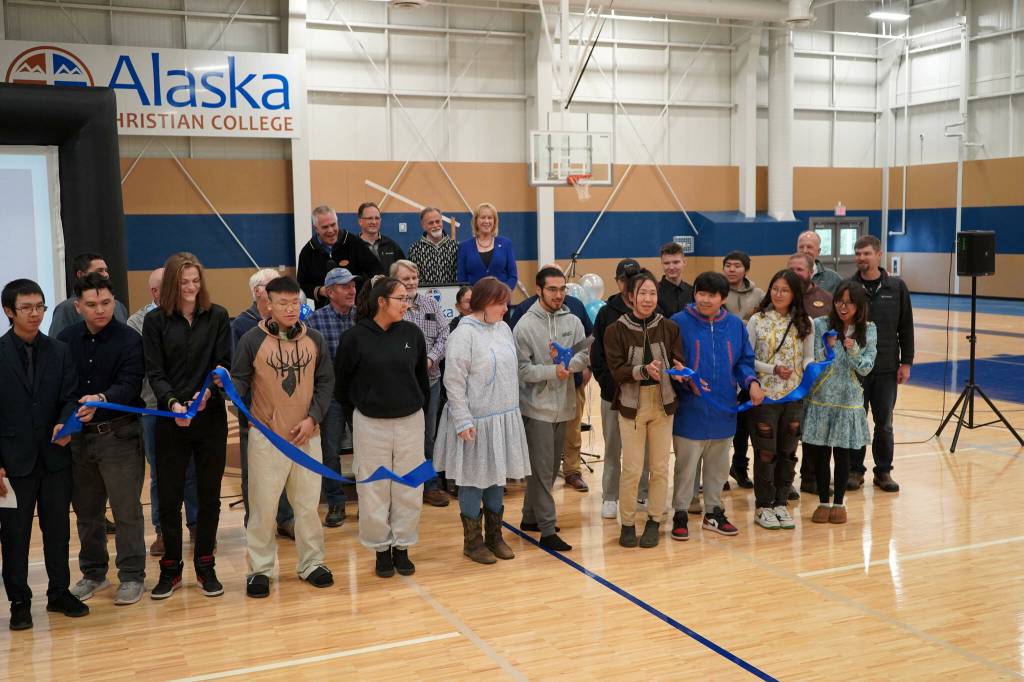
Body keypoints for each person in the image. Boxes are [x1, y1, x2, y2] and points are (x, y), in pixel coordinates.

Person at [231, 276, 335, 597]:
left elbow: (326, 382)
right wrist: (228, 391)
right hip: (267, 438)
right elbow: (240, 382)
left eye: (295, 303)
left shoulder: (315, 338)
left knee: (307, 505)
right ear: (268, 304)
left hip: (307, 435)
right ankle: (260, 569)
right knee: (263, 507)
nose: (290, 309)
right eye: (283, 303)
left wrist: (313, 418)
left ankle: (312, 562)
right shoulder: (251, 340)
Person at [0, 278, 87, 630]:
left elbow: (70, 396)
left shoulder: (59, 350)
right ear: (9, 312)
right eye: (27, 308)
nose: (35, 314)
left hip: (54, 458)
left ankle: (59, 592)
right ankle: (19, 602)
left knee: (58, 529)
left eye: (40, 307)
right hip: (12, 463)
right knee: (15, 536)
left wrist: (65, 422)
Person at [143, 252, 230, 600]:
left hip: (209, 418)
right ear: (171, 286)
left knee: (209, 495)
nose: (191, 287)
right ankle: (171, 569)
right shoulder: (155, 322)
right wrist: (173, 404)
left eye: (195, 281)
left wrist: (206, 394)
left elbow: (222, 364)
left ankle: (206, 565)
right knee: (169, 497)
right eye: (183, 282)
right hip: (170, 420)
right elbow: (155, 372)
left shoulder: (218, 316)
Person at [58, 273, 147, 606]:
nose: (100, 310)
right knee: (87, 512)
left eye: (106, 303)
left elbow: (130, 384)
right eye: (92, 304)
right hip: (79, 439)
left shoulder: (130, 339)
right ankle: (94, 573)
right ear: (78, 306)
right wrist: (68, 414)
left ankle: (132, 575)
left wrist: (102, 399)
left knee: (126, 511)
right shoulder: (66, 339)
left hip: (119, 435)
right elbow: (62, 386)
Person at [336, 276, 429, 578]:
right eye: (401, 298)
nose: (406, 304)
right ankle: (380, 549)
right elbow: (342, 386)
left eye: (408, 298)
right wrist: (358, 417)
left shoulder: (413, 334)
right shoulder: (354, 338)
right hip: (370, 424)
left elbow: (422, 380)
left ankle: (403, 546)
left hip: (410, 421)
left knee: (410, 487)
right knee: (373, 489)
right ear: (381, 301)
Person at [434, 277, 528, 564]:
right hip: (475, 420)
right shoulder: (463, 335)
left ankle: (494, 537)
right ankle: (473, 542)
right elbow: (453, 381)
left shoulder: (503, 328)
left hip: (503, 418)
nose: (506, 308)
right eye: (501, 303)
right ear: (485, 303)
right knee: (473, 482)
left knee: (496, 480)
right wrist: (463, 420)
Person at [670, 272, 764, 541]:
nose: (705, 299)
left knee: (718, 466)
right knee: (686, 466)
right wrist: (685, 379)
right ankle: (680, 513)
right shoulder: (677, 322)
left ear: (723, 298)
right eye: (701, 293)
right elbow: (671, 361)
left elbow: (744, 361)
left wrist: (751, 383)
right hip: (690, 409)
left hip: (724, 408)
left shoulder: (734, 325)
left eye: (712, 295)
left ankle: (713, 512)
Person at [605, 271, 685, 549]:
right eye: (642, 293)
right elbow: (617, 371)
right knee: (632, 468)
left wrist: (680, 371)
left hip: (663, 405)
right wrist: (642, 370)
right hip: (632, 405)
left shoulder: (670, 327)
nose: (648, 299)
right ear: (631, 297)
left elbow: (677, 359)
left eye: (652, 293)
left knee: (660, 468)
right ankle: (627, 524)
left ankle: (654, 521)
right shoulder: (615, 330)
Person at [514, 268, 588, 552]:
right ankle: (547, 529)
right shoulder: (524, 325)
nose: (558, 295)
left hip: (565, 407)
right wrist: (551, 371)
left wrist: (569, 365)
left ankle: (530, 517)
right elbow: (521, 370)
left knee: (548, 468)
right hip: (536, 409)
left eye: (562, 289)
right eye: (552, 289)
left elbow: (583, 353)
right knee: (544, 472)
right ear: (539, 290)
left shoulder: (573, 320)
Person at [127, 268, 200, 557]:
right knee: (160, 472)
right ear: (155, 292)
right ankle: (163, 531)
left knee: (192, 468)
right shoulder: (137, 322)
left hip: (190, 406)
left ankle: (196, 525)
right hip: (153, 407)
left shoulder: (192, 315)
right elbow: (148, 366)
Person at [803, 282, 877, 524]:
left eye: (850, 303)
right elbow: (811, 359)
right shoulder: (820, 324)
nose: (843, 307)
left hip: (848, 399)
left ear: (860, 305)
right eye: (839, 301)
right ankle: (823, 501)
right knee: (821, 453)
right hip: (821, 398)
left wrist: (853, 350)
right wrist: (828, 348)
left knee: (843, 454)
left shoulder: (868, 329)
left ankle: (839, 503)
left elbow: (866, 368)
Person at [745, 270, 814, 531]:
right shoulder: (757, 320)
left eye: (785, 290)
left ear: (795, 293)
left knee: (788, 451)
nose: (778, 294)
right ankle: (763, 505)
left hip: (794, 397)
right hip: (765, 398)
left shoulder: (805, 322)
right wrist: (772, 369)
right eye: (775, 288)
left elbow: (807, 357)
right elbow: (746, 358)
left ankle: (781, 502)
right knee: (766, 452)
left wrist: (812, 368)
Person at [231, 268, 296, 537]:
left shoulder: (290, 325)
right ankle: (256, 523)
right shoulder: (241, 325)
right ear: (259, 293)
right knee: (254, 473)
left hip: (287, 411)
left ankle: (286, 518)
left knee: (287, 467)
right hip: (254, 413)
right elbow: (238, 373)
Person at [849, 234, 914, 493]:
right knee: (856, 420)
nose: (861, 258)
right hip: (855, 369)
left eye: (866, 253)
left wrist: (906, 363)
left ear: (878, 255)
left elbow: (906, 327)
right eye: (858, 253)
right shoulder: (848, 286)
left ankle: (883, 471)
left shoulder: (896, 287)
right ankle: (855, 470)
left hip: (886, 367)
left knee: (884, 423)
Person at [590, 258, 649, 520]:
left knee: (643, 449)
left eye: (633, 279)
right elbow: (597, 355)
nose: (628, 284)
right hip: (613, 394)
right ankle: (610, 496)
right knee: (613, 448)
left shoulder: (650, 308)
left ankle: (642, 492)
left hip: (644, 394)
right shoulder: (606, 313)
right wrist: (611, 383)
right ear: (617, 282)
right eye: (624, 280)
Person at [391, 260, 450, 507]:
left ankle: (429, 485)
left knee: (428, 436)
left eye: (414, 277)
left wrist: (430, 359)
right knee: (403, 438)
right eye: (406, 278)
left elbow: (445, 334)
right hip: (401, 385)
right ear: (394, 280)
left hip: (431, 381)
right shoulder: (392, 308)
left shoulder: (431, 304)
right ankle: (403, 487)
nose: (412, 282)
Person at [307, 268, 360, 527]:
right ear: (330, 292)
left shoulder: (363, 317)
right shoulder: (313, 322)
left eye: (353, 285)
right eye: (344, 286)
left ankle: (368, 501)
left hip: (360, 396)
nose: (352, 290)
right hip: (331, 397)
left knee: (366, 450)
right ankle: (335, 502)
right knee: (330, 451)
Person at [787, 251, 832, 495]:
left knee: (815, 429)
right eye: (791, 269)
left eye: (800, 270)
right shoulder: (779, 296)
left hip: (817, 377)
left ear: (810, 271)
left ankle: (811, 478)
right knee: (789, 430)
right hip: (786, 377)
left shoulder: (825, 299)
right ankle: (786, 481)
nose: (795, 274)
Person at [723, 250, 764, 492]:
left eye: (736, 265)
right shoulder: (717, 291)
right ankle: (718, 472)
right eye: (728, 265)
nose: (731, 269)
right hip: (723, 363)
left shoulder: (759, 295)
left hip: (747, 363)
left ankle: (739, 466)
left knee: (744, 422)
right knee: (721, 421)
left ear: (745, 269)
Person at [298, 205, 383, 308]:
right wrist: (320, 291)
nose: (330, 230)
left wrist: (366, 295)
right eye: (325, 227)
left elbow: (376, 271)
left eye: (333, 225)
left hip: (357, 310)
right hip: (324, 312)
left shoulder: (353, 243)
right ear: (316, 229)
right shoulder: (307, 252)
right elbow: (302, 285)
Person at [48, 252, 129, 338]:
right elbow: (56, 343)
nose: (106, 275)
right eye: (99, 271)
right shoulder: (66, 308)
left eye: (106, 270)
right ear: (80, 274)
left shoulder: (119, 306)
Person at [456, 202, 518, 290]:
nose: (486, 221)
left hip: (501, 297)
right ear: (476, 221)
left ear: (494, 221)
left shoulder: (506, 244)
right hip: (475, 298)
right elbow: (461, 280)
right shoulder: (464, 247)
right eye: (483, 217)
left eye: (490, 218)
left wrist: (503, 293)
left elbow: (513, 276)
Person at [407, 207, 459, 286]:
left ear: (442, 222)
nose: (435, 225)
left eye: (438, 221)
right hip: (424, 293)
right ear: (423, 226)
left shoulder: (456, 247)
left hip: (452, 292)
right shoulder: (415, 249)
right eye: (431, 223)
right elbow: (412, 277)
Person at [358, 202, 405, 274]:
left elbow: (403, 271)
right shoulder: (352, 246)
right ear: (360, 221)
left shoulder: (391, 245)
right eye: (370, 218)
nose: (374, 222)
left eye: (377, 218)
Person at [797, 230, 843, 294]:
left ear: (818, 251)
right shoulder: (789, 277)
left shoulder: (834, 279)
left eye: (809, 247)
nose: (805, 251)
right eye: (801, 247)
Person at [789, 252, 832, 319]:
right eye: (791, 270)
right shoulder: (780, 297)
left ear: (811, 272)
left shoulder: (827, 299)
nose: (794, 273)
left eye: (799, 269)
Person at [657, 242, 694, 316]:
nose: (671, 267)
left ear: (684, 262)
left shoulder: (693, 292)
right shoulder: (654, 292)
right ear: (662, 264)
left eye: (676, 262)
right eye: (667, 263)